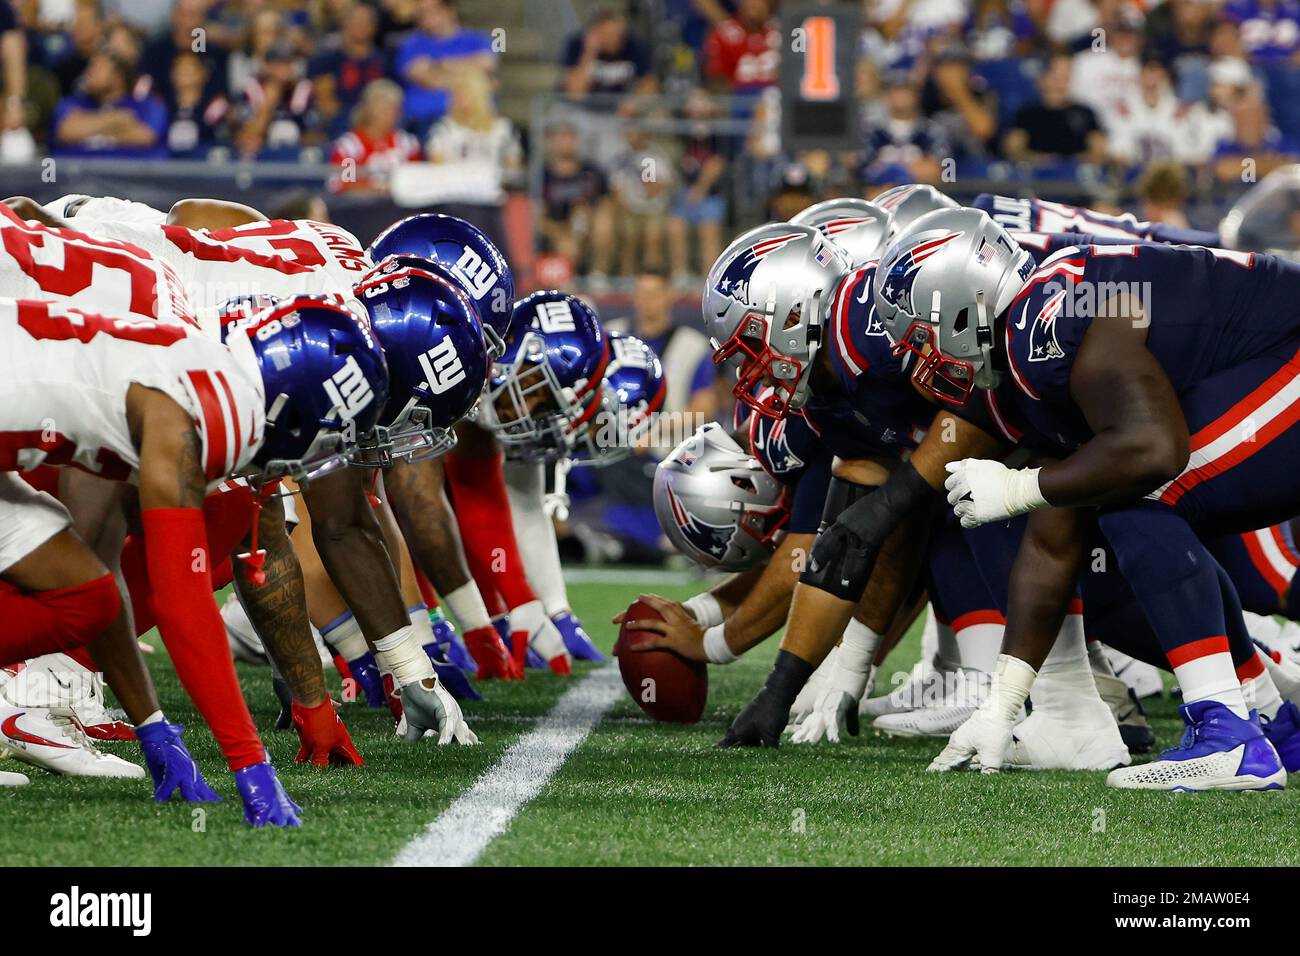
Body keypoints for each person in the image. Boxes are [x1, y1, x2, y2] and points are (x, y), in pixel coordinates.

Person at [873, 207, 1300, 790]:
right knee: (1113, 496)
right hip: (1271, 360)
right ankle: (1270, 721)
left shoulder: (1043, 322)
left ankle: (1229, 731)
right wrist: (1004, 699)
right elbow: (1054, 536)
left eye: (919, 335)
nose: (914, 357)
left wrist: (1021, 486)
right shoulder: (1021, 349)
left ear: (965, 304)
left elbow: (1152, 452)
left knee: (1140, 494)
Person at [395, 0, 494, 132]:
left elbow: (487, 64)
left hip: (473, 115)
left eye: (432, 10)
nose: (425, 17)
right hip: (424, 119)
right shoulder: (411, 44)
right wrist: (468, 76)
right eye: (421, 12)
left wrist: (436, 66)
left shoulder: (477, 39)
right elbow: (422, 77)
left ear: (450, 10)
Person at [51, 50, 167, 158]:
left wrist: (86, 125)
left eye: (97, 68)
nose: (88, 73)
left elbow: (145, 137)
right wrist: (116, 119)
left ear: (118, 76)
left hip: (127, 175)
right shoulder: (74, 103)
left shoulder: (147, 106)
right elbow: (65, 132)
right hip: (77, 174)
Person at [1002, 52, 1107, 166]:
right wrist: (1037, 160)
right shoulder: (1028, 113)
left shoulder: (1085, 113)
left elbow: (1099, 149)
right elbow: (1013, 147)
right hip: (1037, 176)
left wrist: (1076, 162)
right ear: (1044, 78)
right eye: (1056, 75)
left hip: (1076, 177)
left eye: (1066, 75)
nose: (1060, 82)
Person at [310, 0, 389, 138]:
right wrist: (356, 119)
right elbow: (325, 101)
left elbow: (390, 95)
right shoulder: (328, 59)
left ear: (374, 26)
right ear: (344, 24)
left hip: (379, 120)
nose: (361, 26)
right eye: (356, 21)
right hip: (342, 122)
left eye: (366, 21)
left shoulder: (383, 60)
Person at [328, 78, 420, 194]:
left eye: (394, 108)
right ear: (369, 109)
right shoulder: (349, 147)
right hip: (361, 208)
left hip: (401, 209)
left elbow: (417, 181)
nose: (390, 114)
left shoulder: (407, 144)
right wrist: (380, 189)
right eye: (384, 108)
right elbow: (345, 184)